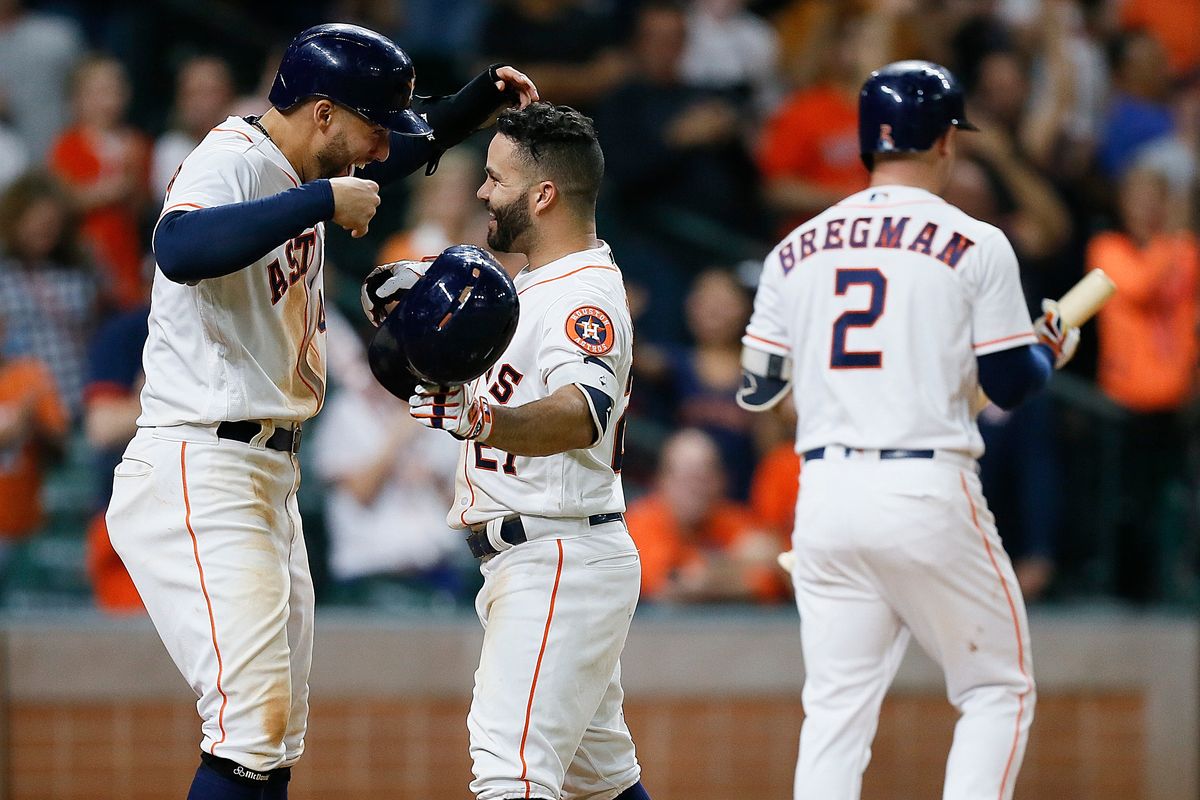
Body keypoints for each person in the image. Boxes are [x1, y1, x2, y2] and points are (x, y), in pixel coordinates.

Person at [104, 23, 537, 800]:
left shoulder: (299, 161)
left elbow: (394, 152)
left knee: (273, 736)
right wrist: (320, 199)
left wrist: (476, 104)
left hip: (266, 471)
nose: (381, 149)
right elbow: (180, 248)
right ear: (325, 113)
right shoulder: (231, 156)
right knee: (248, 730)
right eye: (371, 127)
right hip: (200, 462)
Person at [738, 61, 1081, 799]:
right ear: (947, 141)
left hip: (824, 490)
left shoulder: (793, 247)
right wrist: (1044, 349)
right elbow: (1012, 386)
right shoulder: (976, 240)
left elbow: (758, 389)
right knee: (997, 689)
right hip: (924, 482)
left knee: (834, 715)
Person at [401, 102, 652, 800]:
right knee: (601, 781)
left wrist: (482, 419)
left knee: (509, 772)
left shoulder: (585, 294)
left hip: (559, 554)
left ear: (543, 196)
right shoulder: (535, 285)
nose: (483, 192)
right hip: (540, 554)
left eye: (496, 178)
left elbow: (585, 412)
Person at [626, 428, 784, 603]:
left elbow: (771, 578)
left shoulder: (730, 518)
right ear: (662, 480)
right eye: (685, 479)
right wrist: (736, 567)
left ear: (721, 480)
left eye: (703, 478)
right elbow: (664, 586)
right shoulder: (643, 520)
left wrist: (701, 576)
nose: (694, 489)